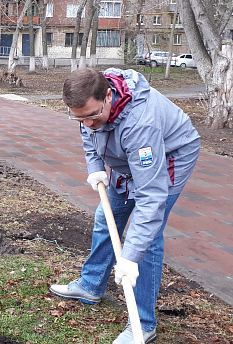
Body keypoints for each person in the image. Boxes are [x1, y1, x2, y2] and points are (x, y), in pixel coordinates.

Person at [50, 68, 200, 344]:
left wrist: (129, 258)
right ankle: (91, 284)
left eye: (92, 116)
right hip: (127, 155)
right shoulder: (89, 105)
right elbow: (88, 132)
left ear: (109, 96)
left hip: (170, 154)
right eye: (79, 117)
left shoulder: (141, 124)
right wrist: (96, 167)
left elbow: (150, 198)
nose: (87, 123)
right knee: (107, 217)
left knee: (146, 238)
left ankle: (142, 323)